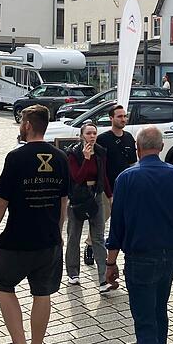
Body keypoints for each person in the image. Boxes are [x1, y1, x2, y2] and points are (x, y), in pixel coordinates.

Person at [105, 126, 173, 344]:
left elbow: (117, 228)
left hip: (140, 258)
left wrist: (110, 263)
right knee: (159, 312)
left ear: (137, 148)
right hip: (171, 256)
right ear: (162, 147)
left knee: (145, 322)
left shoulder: (126, 178)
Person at [0, 105, 69, 344]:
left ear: (28, 125)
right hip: (49, 240)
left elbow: (1, 202)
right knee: (42, 294)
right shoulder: (61, 157)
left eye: (22, 121)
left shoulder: (16, 157)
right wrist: (58, 231)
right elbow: (63, 201)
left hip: (17, 240)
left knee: (3, 285)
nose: (21, 125)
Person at [84, 105, 137, 266]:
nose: (123, 119)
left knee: (126, 221)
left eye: (124, 116)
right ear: (111, 118)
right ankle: (90, 246)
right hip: (106, 188)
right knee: (101, 221)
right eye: (119, 116)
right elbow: (97, 164)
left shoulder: (129, 137)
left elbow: (132, 164)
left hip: (125, 189)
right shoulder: (103, 139)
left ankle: (127, 251)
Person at [65, 120, 114, 293]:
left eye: (94, 133)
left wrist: (110, 196)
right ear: (81, 136)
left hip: (96, 195)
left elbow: (103, 175)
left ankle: (103, 279)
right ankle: (73, 273)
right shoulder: (73, 153)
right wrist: (86, 159)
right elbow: (77, 178)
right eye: (88, 133)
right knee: (74, 235)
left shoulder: (100, 151)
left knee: (98, 237)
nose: (92, 136)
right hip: (78, 197)